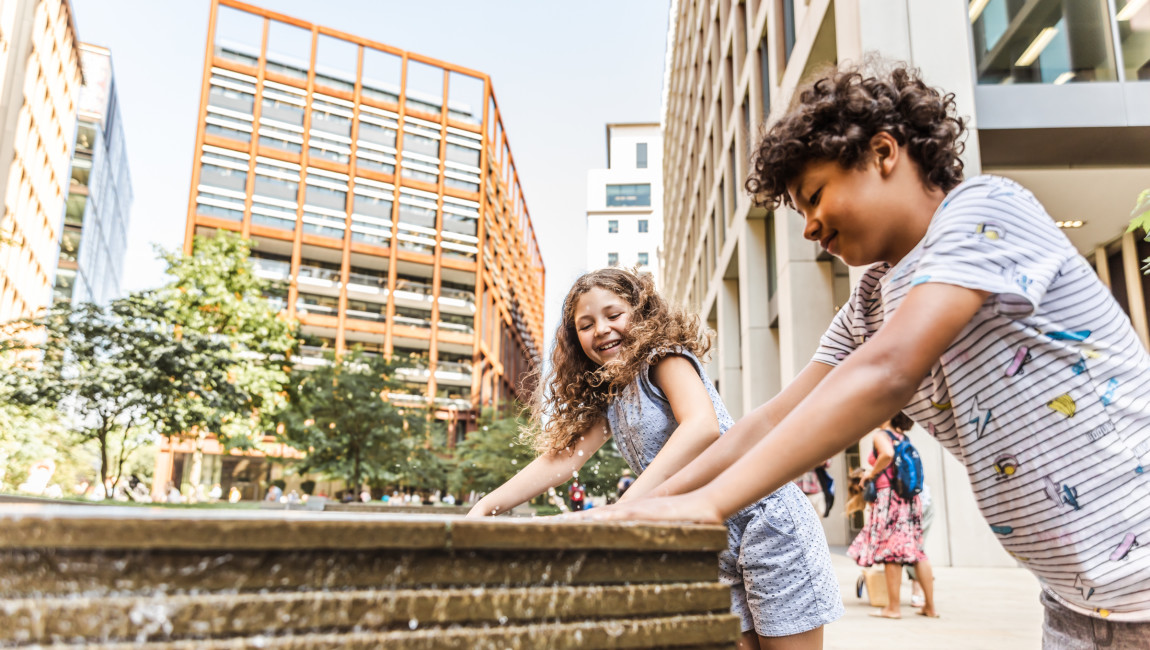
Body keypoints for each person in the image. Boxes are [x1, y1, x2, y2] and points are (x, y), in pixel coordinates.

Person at [580, 61, 1150, 644]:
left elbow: (889, 371)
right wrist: (638, 507)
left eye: (815, 197)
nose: (807, 227)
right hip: (1081, 604)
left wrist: (708, 506)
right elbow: (771, 419)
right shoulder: (870, 301)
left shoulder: (984, 209)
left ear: (883, 152)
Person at [467, 268, 842, 649]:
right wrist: (486, 507)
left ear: (642, 312)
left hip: (765, 520)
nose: (601, 329)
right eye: (586, 324)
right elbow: (564, 459)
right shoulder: (610, 394)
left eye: (613, 315)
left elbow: (700, 427)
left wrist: (625, 508)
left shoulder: (663, 358)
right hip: (708, 540)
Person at [847, 413, 937, 619]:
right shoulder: (904, 437)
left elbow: (886, 454)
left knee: (891, 552)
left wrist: (870, 474)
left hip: (890, 497)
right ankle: (930, 607)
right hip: (910, 499)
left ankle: (893, 608)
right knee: (918, 552)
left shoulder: (882, 435)